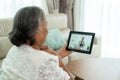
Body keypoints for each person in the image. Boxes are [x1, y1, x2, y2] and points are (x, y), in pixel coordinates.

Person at [0, 6, 73, 80]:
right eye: (45, 25)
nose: (47, 30)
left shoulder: (13, 50)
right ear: (34, 30)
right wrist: (58, 59)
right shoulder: (45, 61)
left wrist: (57, 56)